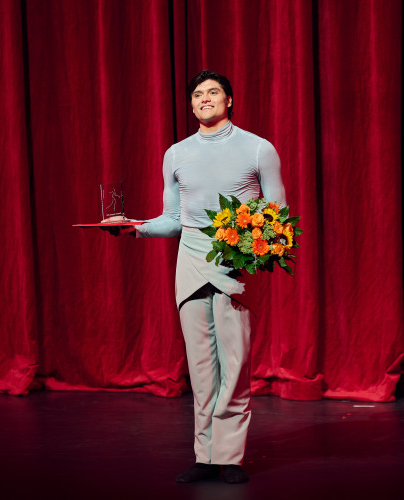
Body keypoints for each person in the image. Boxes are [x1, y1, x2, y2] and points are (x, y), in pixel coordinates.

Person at [103, 70, 286, 484]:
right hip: (190, 264)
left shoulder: (259, 149)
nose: (205, 99)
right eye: (198, 94)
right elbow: (173, 220)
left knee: (234, 365)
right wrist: (133, 226)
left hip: (234, 265)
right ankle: (205, 455)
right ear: (191, 105)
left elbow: (278, 219)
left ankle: (231, 456)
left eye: (213, 92)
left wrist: (249, 246)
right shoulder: (176, 154)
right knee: (201, 367)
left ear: (230, 100)